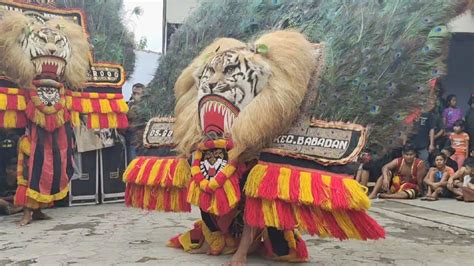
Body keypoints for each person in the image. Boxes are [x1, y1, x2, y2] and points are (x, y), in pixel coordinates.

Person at [125, 83, 146, 162]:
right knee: (133, 162)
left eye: (138, 93)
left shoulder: (147, 105)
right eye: (134, 93)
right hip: (132, 137)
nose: (136, 95)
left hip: (143, 137)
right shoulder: (128, 105)